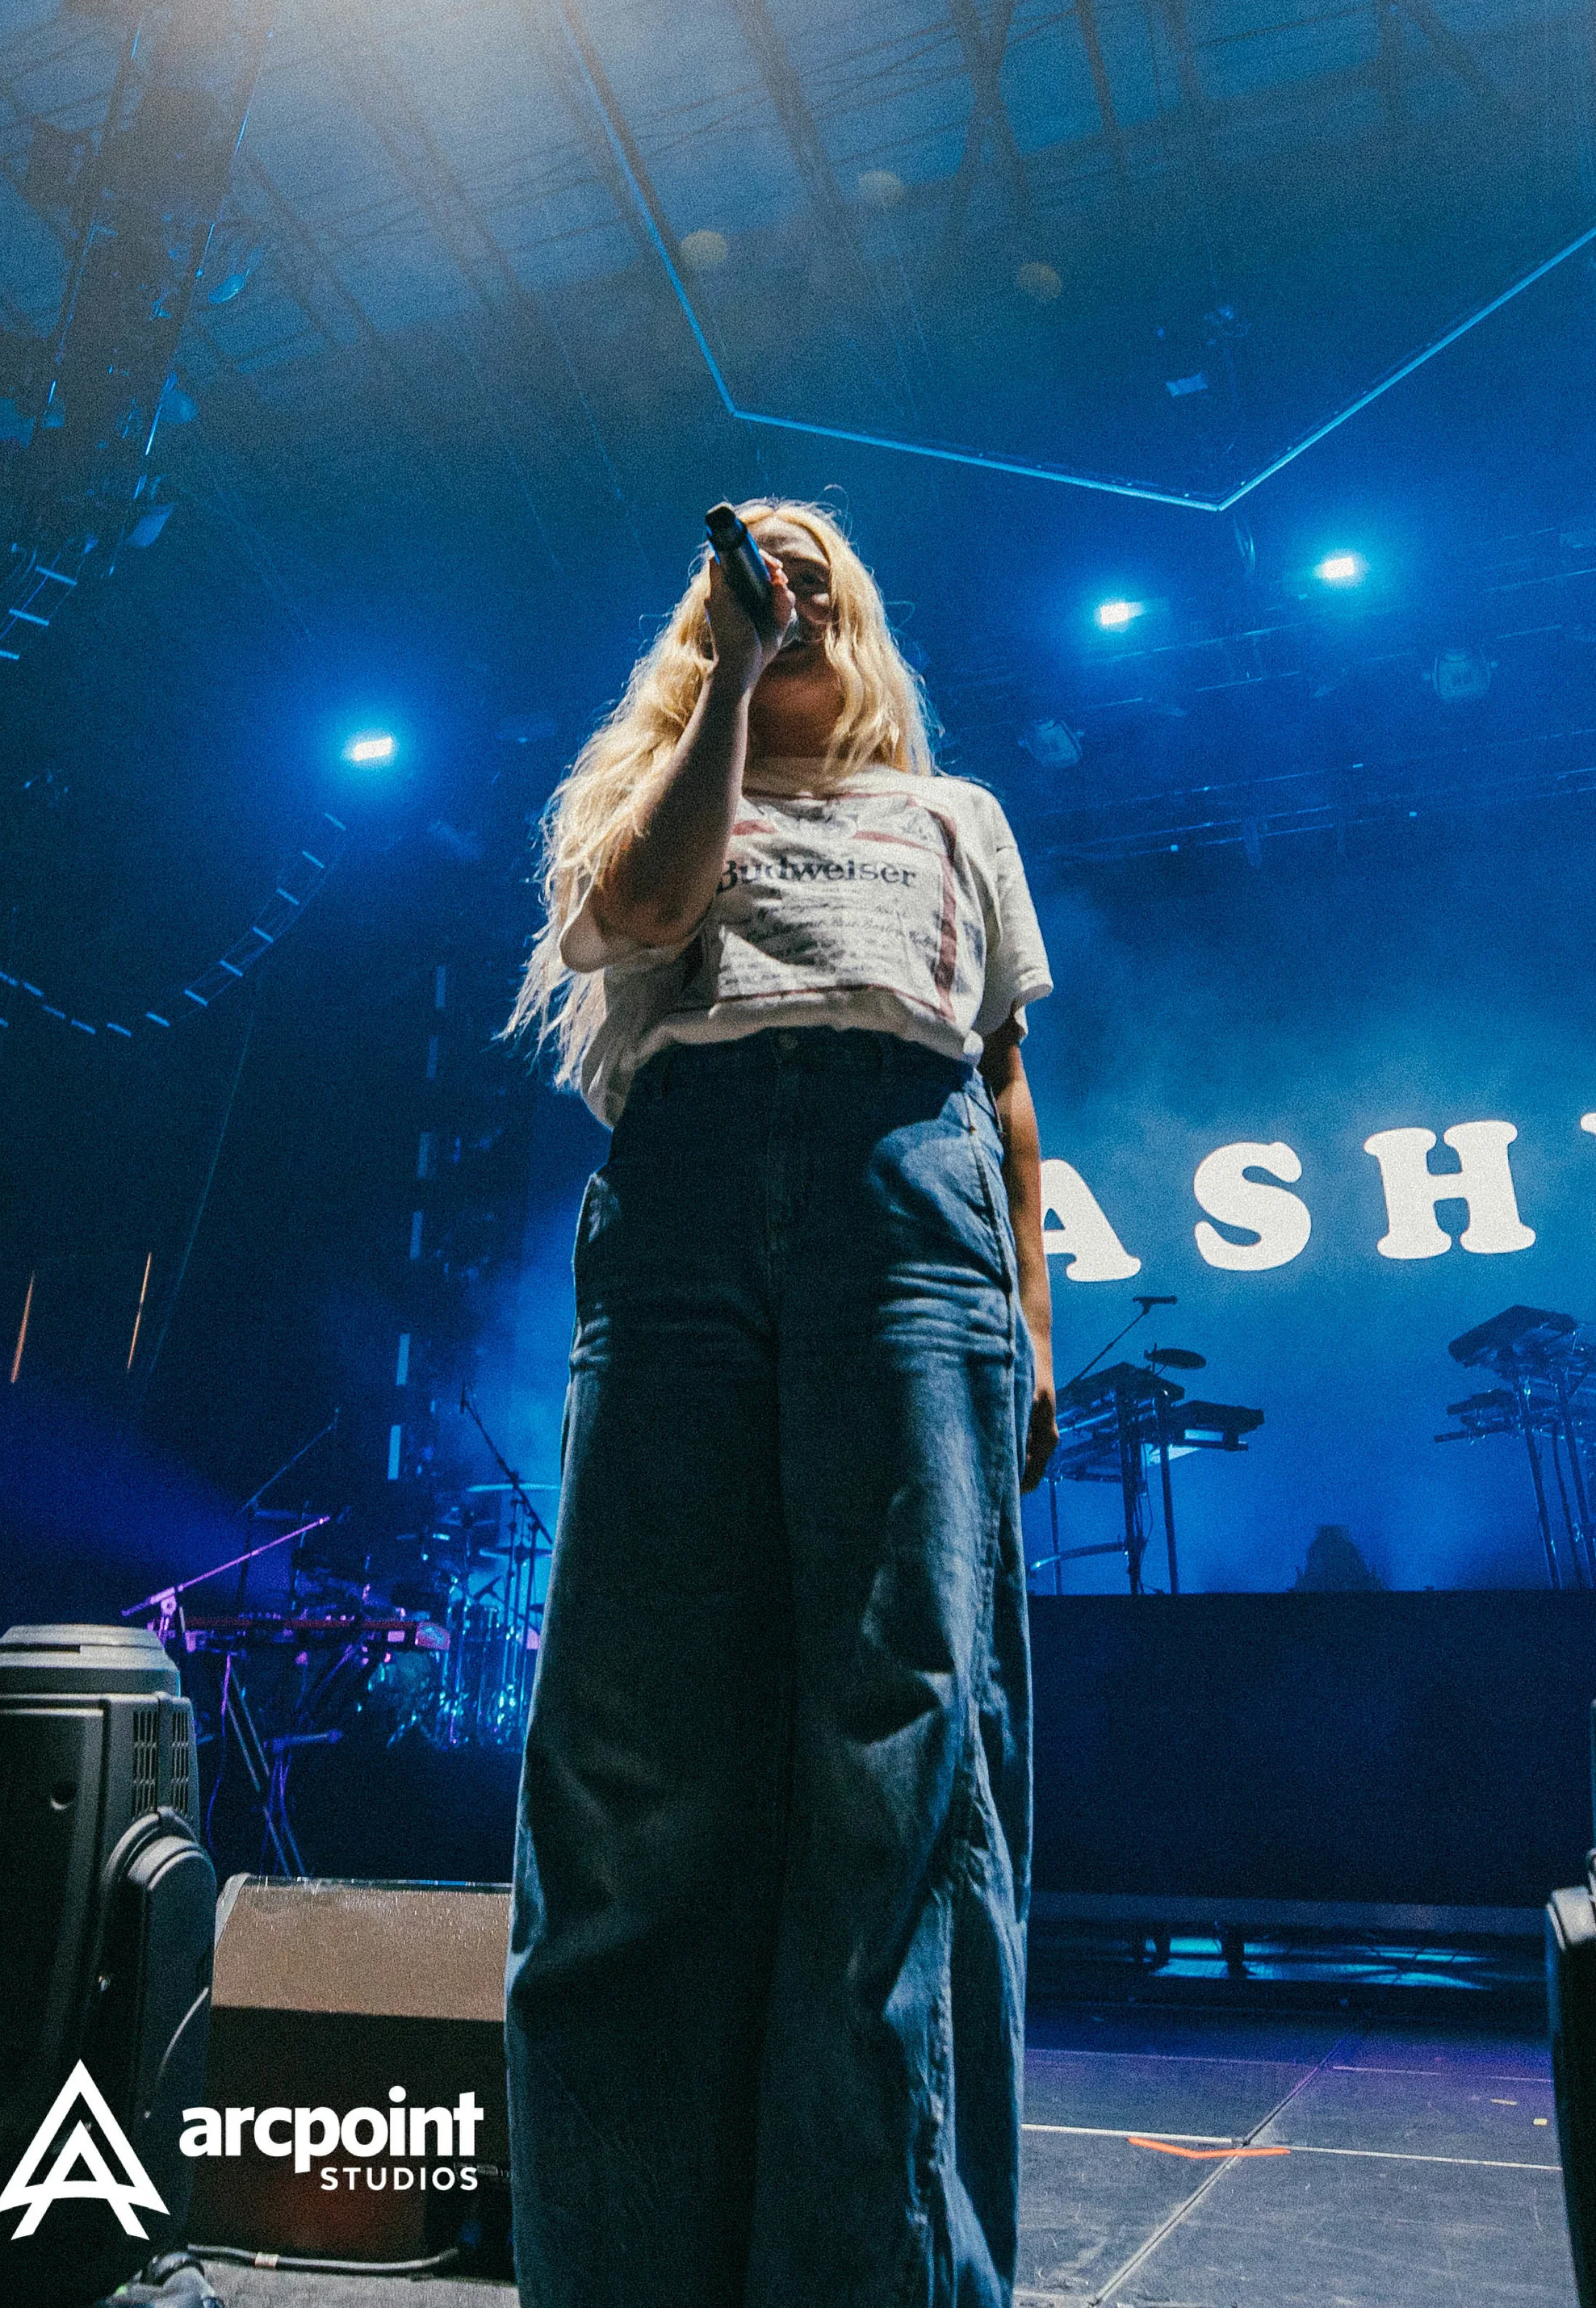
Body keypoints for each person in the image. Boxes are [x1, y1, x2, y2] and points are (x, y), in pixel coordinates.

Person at [503, 498, 1056, 2308]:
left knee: (900, 1746)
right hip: (683, 1203)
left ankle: (867, 2273)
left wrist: (1034, 1326)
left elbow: (1006, 1090)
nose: (792, 581)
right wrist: (727, 672)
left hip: (909, 1206)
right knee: (634, 1754)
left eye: (820, 569)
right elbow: (643, 918)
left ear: (868, 615)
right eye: (762, 568)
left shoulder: (957, 819)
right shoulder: (653, 792)